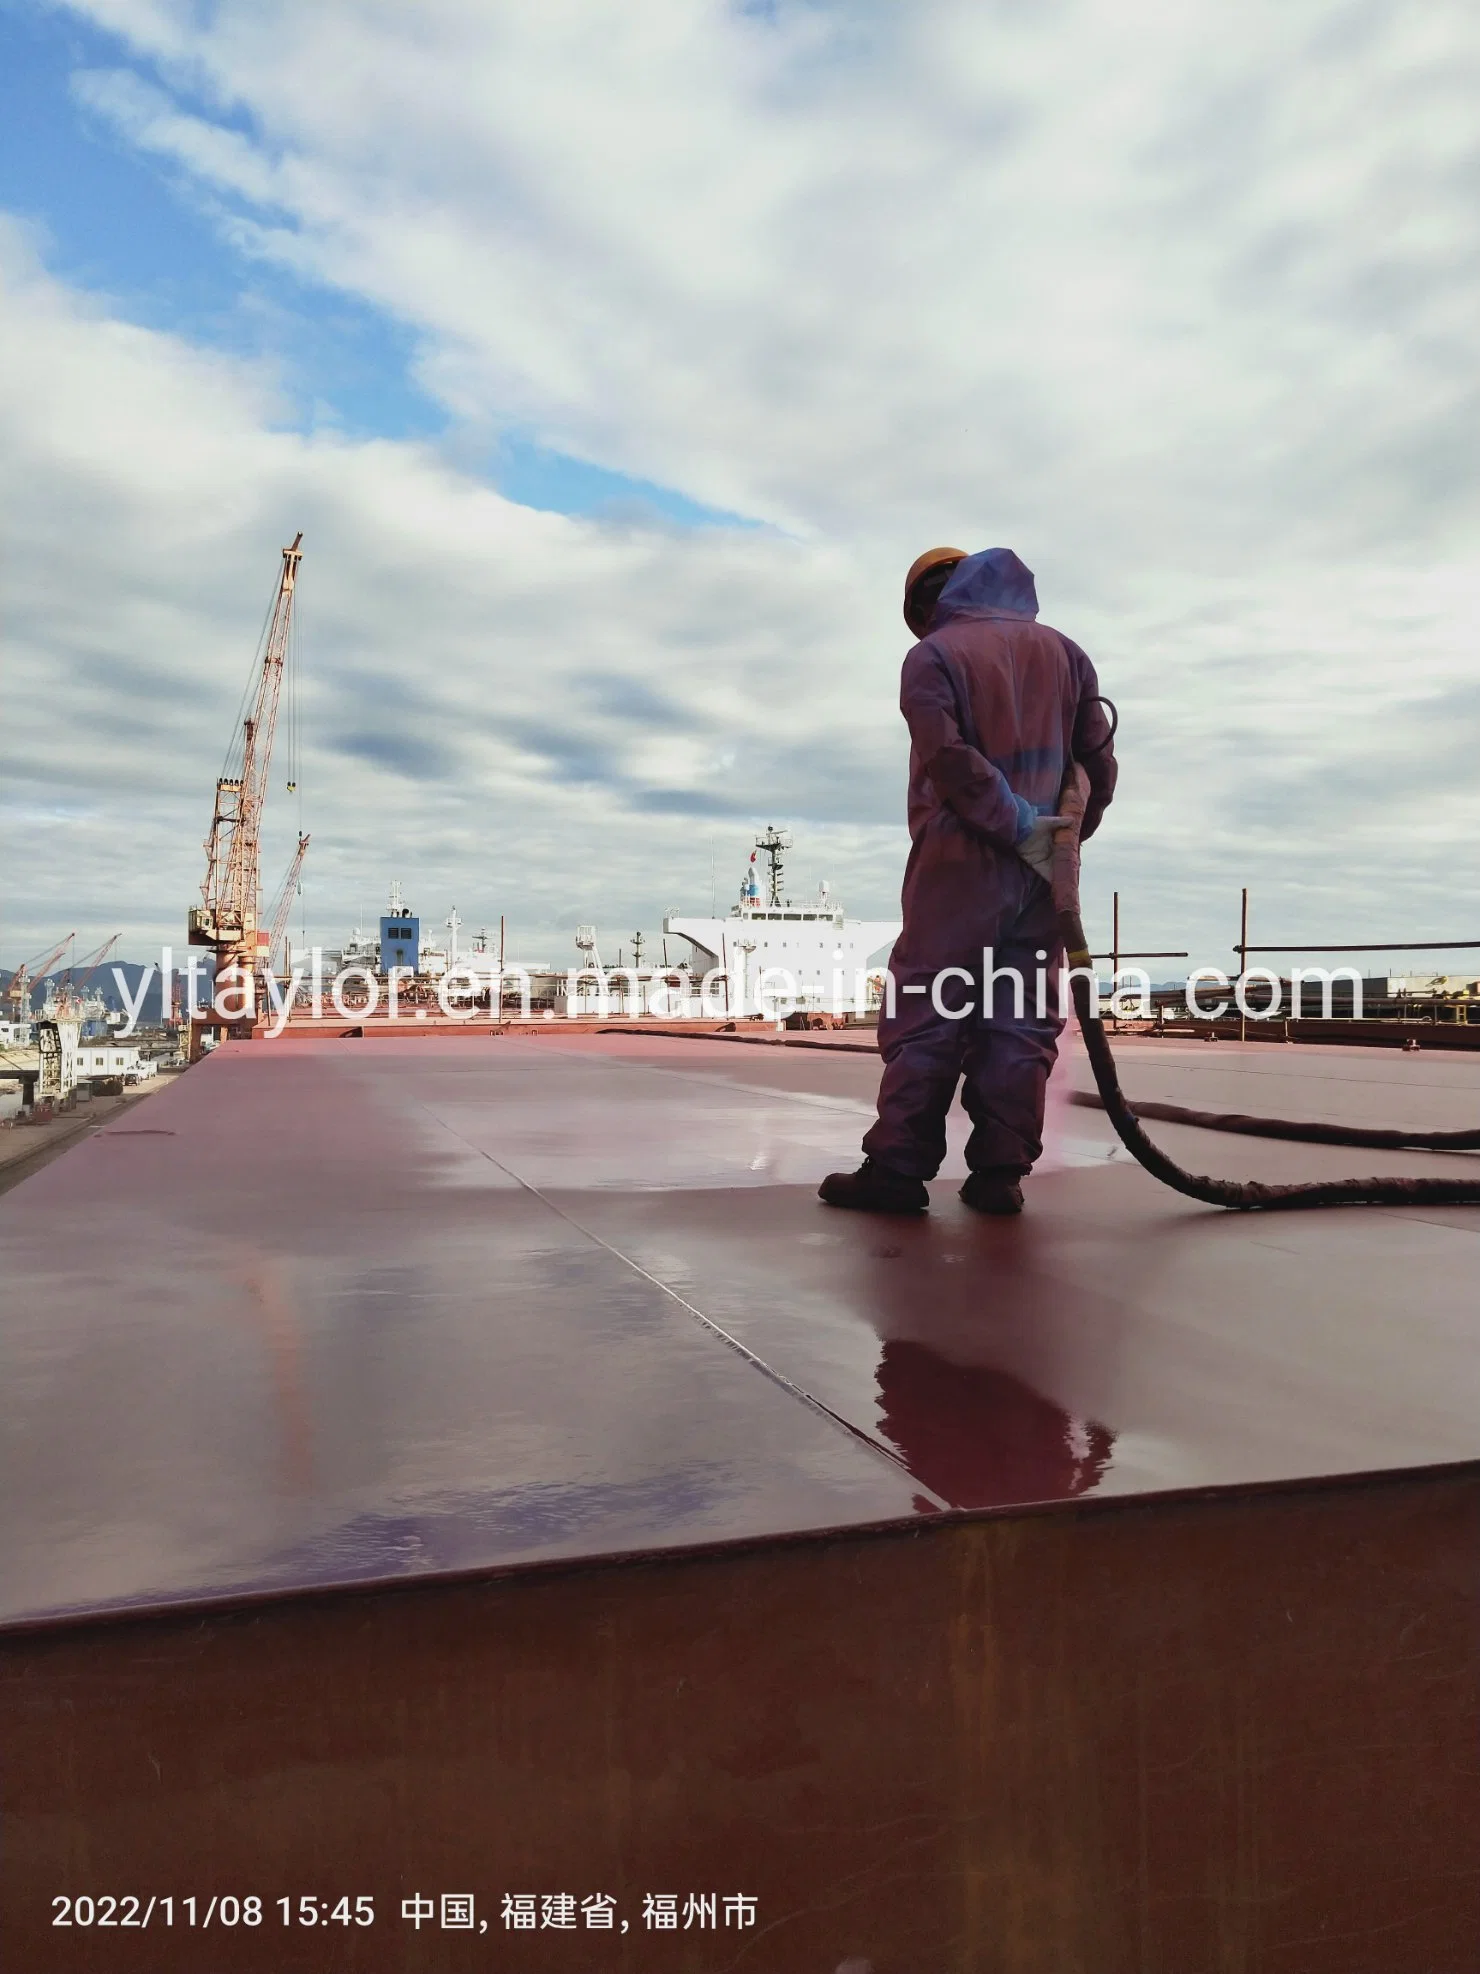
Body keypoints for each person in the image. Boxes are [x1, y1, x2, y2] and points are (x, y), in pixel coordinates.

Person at [820, 546, 1116, 1216]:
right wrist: (1061, 841)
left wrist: (1012, 825)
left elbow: (948, 759)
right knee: (1021, 1020)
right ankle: (999, 1175)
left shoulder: (933, 657)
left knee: (929, 1008)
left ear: (926, 605)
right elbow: (1097, 759)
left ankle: (896, 1170)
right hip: (1047, 875)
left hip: (959, 862)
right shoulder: (1068, 654)